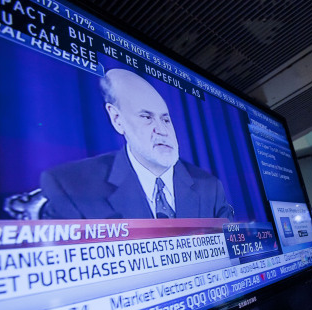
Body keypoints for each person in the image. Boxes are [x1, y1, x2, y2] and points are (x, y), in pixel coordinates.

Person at [40, 69, 233, 220]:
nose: (162, 130)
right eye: (146, 117)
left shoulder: (209, 187)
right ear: (117, 119)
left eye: (166, 120)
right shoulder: (71, 186)